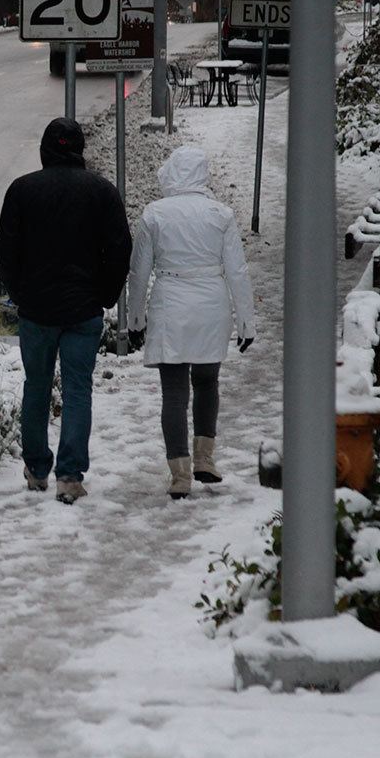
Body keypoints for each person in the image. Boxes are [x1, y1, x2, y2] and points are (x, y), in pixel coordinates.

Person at [0, 118, 133, 505]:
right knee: (77, 390)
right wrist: (105, 295)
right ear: (80, 149)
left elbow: (5, 253)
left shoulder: (21, 191)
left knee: (35, 387)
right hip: (83, 308)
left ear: (44, 150)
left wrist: (21, 295)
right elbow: (120, 248)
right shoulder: (102, 192)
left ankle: (37, 467)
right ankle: (70, 476)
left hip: (36, 311)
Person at [126, 145, 256, 499]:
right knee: (207, 382)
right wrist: (246, 321)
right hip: (211, 303)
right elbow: (238, 271)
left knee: (174, 392)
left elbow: (139, 272)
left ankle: (179, 474)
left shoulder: (155, 215)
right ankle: (205, 459)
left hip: (171, 302)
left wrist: (135, 318)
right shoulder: (221, 214)